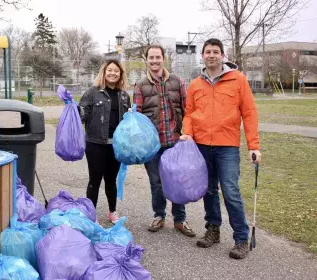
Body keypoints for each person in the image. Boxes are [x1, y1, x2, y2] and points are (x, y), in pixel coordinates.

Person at [180, 38, 261, 259]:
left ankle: (241, 238)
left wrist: (254, 145)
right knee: (208, 190)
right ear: (203, 56)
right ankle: (213, 230)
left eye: (216, 51)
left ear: (223, 55)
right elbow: (189, 113)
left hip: (227, 147)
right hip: (202, 146)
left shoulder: (238, 80)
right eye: (208, 52)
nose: (212, 55)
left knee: (230, 192)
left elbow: (250, 113)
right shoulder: (195, 84)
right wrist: (187, 132)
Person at [133, 45, 196, 237]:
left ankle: (180, 219)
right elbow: (137, 117)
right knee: (156, 183)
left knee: (178, 181)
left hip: (175, 142)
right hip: (153, 146)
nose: (154, 61)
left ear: (163, 58)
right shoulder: (140, 85)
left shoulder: (177, 82)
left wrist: (188, 132)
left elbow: (188, 110)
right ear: (147, 60)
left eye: (157, 57)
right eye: (151, 58)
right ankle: (159, 215)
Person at [79, 59, 131, 224]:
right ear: (104, 72)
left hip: (115, 145)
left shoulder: (124, 95)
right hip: (95, 143)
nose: (113, 73)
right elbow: (83, 114)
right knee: (94, 180)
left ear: (120, 74)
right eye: (110, 70)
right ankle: (91, 215)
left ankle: (112, 212)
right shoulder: (92, 92)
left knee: (111, 180)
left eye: (116, 71)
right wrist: (73, 108)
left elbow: (127, 120)